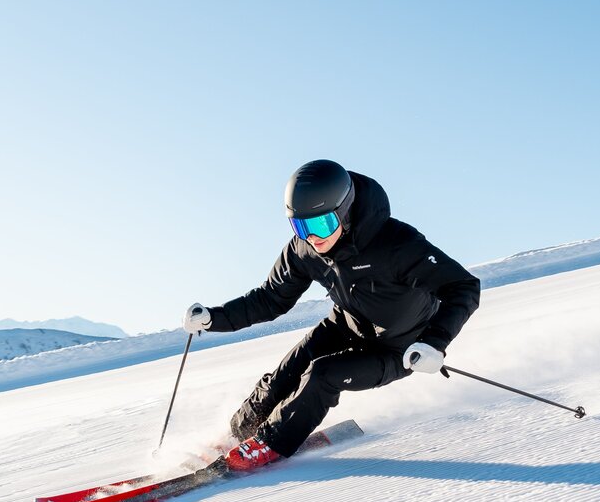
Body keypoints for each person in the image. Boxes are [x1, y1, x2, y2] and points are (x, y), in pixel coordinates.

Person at [183, 160, 481, 471]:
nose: (312, 237)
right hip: (345, 324)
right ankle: (238, 434)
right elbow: (271, 298)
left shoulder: (396, 244)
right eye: (301, 226)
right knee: (285, 373)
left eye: (321, 225)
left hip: (400, 349)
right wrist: (213, 318)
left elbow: (462, 287)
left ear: (344, 210)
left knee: (323, 375)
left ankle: (269, 444)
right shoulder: (304, 250)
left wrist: (434, 342)